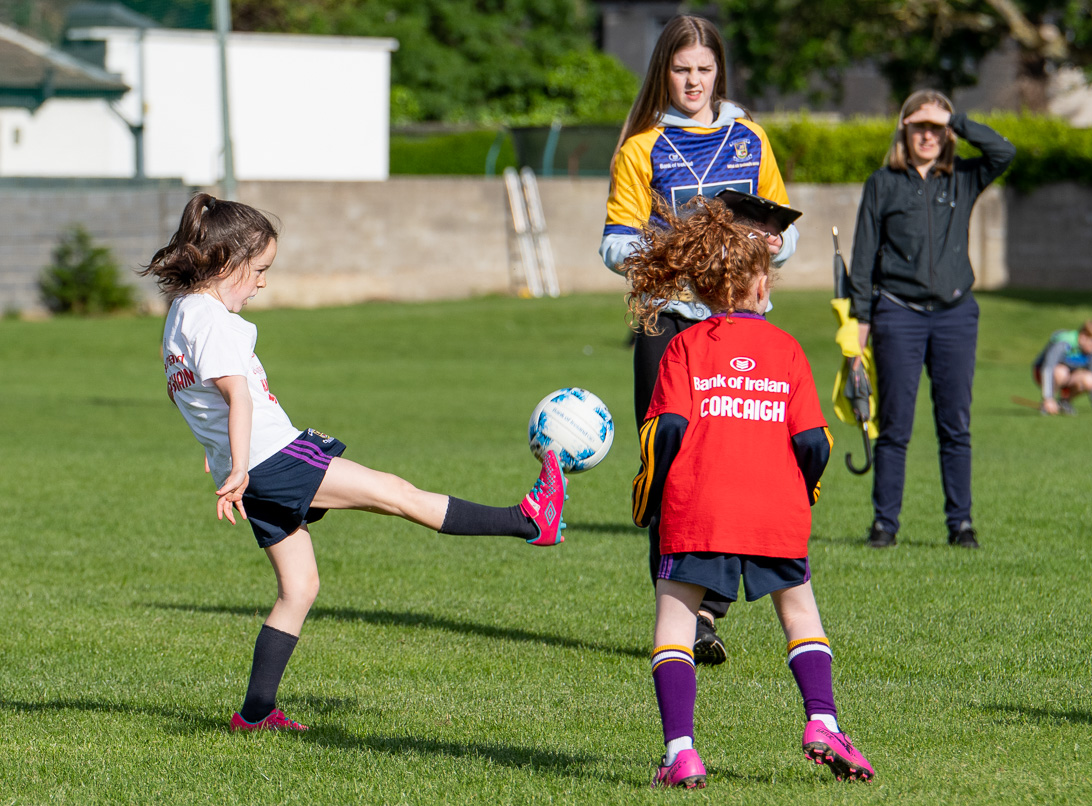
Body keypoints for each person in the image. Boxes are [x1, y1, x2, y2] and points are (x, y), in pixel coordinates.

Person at [141, 194, 567, 732]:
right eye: (261, 270)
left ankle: (255, 714)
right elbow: (237, 396)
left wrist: (222, 456)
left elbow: (195, 398)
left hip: (252, 468)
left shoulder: (181, 315)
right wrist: (240, 464)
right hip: (272, 460)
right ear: (228, 261)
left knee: (300, 588)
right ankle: (528, 519)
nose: (262, 284)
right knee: (397, 493)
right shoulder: (217, 322)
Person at [626, 198, 875, 788]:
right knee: (800, 612)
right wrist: (802, 492)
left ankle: (681, 752)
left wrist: (649, 494)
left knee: (675, 619)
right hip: (774, 506)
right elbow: (814, 439)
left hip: (699, 506)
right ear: (758, 280)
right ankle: (823, 721)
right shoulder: (787, 348)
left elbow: (668, 430)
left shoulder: (683, 345)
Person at [601, 13, 799, 664]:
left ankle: (711, 607)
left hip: (738, 325)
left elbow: (784, 231)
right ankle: (682, 619)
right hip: (665, 323)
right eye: (681, 68)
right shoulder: (639, 149)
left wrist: (774, 242)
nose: (692, 80)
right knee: (669, 465)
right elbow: (613, 244)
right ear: (664, 71)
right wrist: (681, 257)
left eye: (703, 69)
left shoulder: (750, 139)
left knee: (738, 466)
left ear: (719, 72)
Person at [849, 89, 1015, 551]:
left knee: (955, 425)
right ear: (903, 130)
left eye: (936, 127)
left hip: (956, 316)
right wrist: (859, 322)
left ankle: (960, 524)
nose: (927, 135)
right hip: (897, 314)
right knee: (895, 425)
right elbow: (862, 260)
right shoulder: (882, 183)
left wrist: (954, 118)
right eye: (918, 125)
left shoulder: (964, 177)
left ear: (947, 133)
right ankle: (885, 524)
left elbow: (1005, 151)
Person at [1033, 320, 1092, 417]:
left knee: (1090, 379)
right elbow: (1048, 368)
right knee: (1061, 372)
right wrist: (1048, 398)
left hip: (1067, 376)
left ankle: (1064, 402)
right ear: (1083, 337)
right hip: (1042, 373)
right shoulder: (1064, 343)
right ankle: (1048, 404)